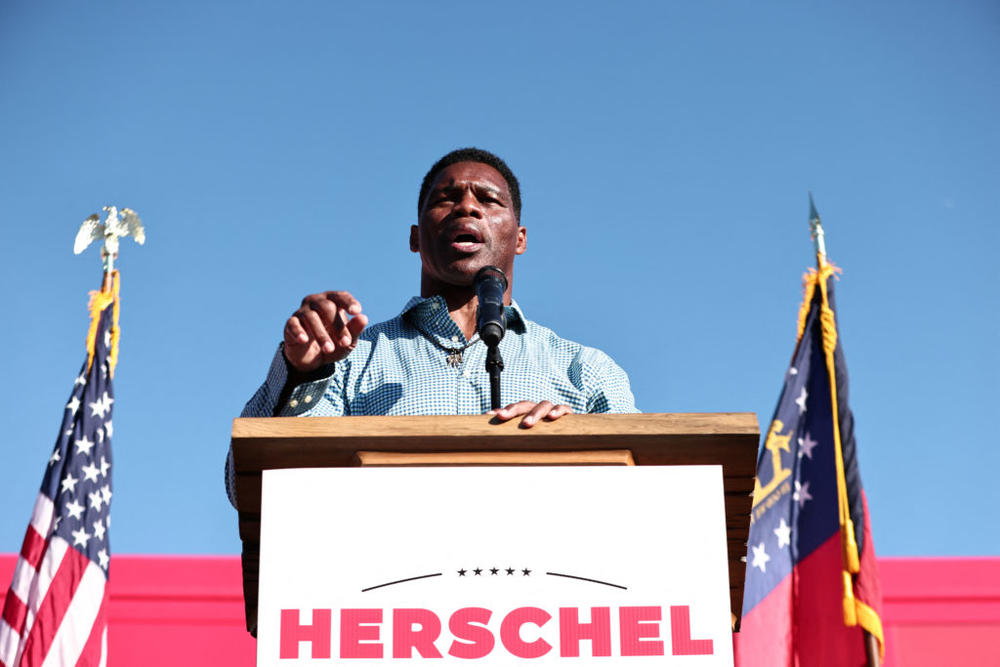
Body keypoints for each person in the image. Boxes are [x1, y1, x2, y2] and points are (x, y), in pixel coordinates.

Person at [226, 148, 636, 501]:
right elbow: (248, 486)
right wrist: (302, 374)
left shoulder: (585, 371)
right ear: (416, 237)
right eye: (447, 198)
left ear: (521, 238)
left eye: (489, 200)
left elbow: (647, 498)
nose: (468, 207)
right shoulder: (350, 361)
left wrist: (572, 445)